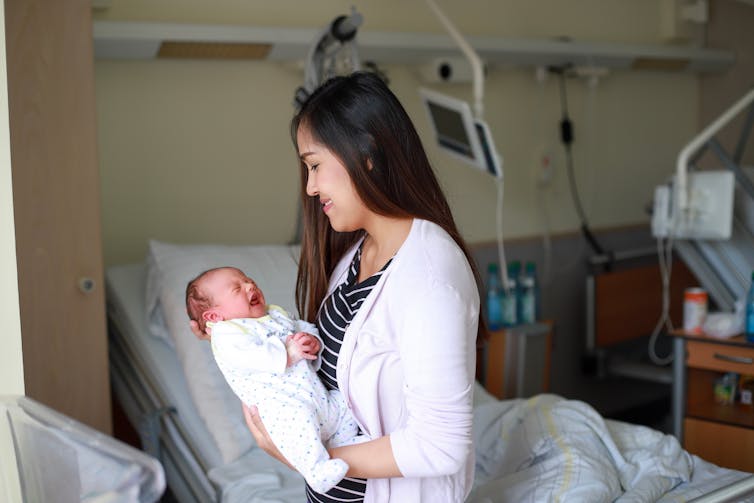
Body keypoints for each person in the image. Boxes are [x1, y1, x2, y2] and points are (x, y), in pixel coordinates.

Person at [190, 71, 483, 502]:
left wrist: (311, 456)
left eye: (313, 166)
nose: (309, 187)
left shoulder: (429, 276)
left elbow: (441, 445)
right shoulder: (356, 255)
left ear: (365, 152)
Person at [185, 266, 365, 494]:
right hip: (284, 405)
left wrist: (312, 339)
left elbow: (300, 327)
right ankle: (316, 470)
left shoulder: (274, 314)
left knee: (344, 403)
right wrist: (288, 352)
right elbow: (249, 357)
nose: (250, 285)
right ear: (214, 316)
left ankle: (344, 444)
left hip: (319, 398)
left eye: (248, 279)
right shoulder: (226, 334)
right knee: (298, 429)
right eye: (237, 288)